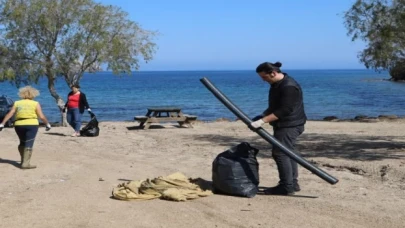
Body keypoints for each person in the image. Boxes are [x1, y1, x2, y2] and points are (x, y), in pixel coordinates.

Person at [250, 61, 307, 195]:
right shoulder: (276, 84)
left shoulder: (289, 86)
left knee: (280, 153)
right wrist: (262, 116)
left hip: (290, 125)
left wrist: (262, 121)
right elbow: (274, 106)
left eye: (264, 77)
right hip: (284, 124)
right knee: (288, 152)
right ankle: (293, 184)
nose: (263, 80)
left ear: (273, 73)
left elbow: (285, 110)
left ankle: (286, 186)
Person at [0, 86, 51, 169]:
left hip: (19, 124)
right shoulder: (35, 103)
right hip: (32, 124)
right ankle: (25, 164)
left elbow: (10, 114)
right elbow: (41, 116)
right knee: (29, 142)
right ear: (33, 94)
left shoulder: (17, 103)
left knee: (22, 142)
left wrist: (2, 123)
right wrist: (47, 124)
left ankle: (23, 160)